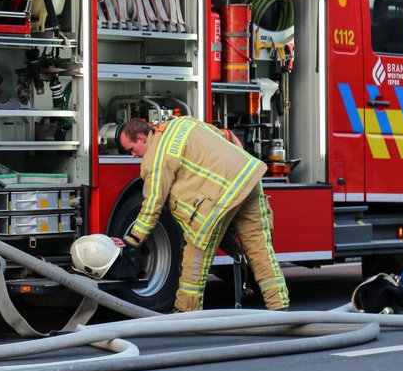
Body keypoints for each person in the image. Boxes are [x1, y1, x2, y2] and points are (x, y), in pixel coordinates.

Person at [117, 116, 289, 312]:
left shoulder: (156, 157)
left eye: (131, 149)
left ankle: (185, 315)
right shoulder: (182, 123)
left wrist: (133, 238)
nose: (133, 155)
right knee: (260, 249)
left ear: (141, 138)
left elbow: (153, 202)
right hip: (248, 177)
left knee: (195, 256)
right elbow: (227, 136)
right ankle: (279, 307)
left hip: (221, 197)